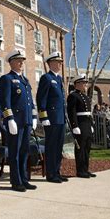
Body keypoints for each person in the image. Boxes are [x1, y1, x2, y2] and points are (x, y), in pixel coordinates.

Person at [0, 49, 38, 192]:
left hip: (26, 121)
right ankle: (16, 181)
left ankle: (24, 179)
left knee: (24, 151)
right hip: (15, 122)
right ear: (11, 62)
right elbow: (5, 101)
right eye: (18, 60)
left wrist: (33, 117)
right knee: (14, 153)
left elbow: (30, 102)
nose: (21, 63)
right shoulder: (6, 79)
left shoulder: (25, 81)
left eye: (22, 60)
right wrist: (9, 119)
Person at [36, 51, 67, 183]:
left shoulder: (59, 79)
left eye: (61, 62)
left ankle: (57, 172)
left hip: (60, 118)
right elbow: (41, 99)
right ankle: (51, 174)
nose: (60, 64)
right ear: (50, 63)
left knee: (59, 146)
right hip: (51, 118)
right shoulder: (46, 78)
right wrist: (44, 117)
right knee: (51, 147)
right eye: (58, 62)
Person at [67, 74, 96, 179]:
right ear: (77, 84)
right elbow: (72, 112)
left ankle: (85, 169)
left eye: (86, 83)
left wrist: (91, 125)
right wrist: (74, 126)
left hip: (87, 124)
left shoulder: (85, 96)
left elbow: (88, 112)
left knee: (87, 147)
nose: (86, 85)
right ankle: (80, 171)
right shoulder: (73, 96)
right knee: (80, 148)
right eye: (84, 83)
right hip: (80, 124)